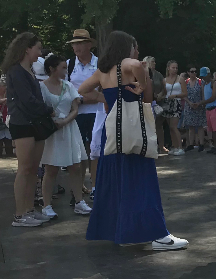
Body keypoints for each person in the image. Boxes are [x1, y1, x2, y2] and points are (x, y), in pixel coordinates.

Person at [80, 30, 188, 250]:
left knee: (118, 183)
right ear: (126, 47)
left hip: (113, 133)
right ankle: (158, 235)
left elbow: (82, 90)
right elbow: (144, 92)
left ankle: (124, 233)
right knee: (142, 181)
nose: (137, 51)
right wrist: (144, 79)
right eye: (134, 46)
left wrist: (106, 98)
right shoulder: (128, 65)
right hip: (132, 131)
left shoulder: (103, 71)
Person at [3, 32, 54, 227]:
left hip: (35, 124)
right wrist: (48, 110)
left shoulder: (30, 70)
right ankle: (20, 214)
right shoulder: (16, 71)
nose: (40, 53)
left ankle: (30, 209)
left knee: (34, 169)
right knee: (24, 169)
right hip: (22, 123)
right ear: (27, 49)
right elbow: (27, 100)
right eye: (38, 48)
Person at [38, 54, 92, 219]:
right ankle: (46, 205)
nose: (65, 70)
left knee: (75, 166)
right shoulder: (42, 87)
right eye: (62, 67)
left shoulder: (68, 85)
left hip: (69, 128)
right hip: (52, 131)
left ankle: (79, 202)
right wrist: (55, 121)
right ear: (52, 69)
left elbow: (75, 108)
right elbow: (40, 108)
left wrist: (65, 121)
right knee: (51, 168)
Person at [65, 29, 101, 201]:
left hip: (97, 113)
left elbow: (104, 89)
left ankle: (95, 187)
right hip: (76, 114)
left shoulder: (100, 63)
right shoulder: (69, 64)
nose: (76, 47)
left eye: (79, 43)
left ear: (88, 45)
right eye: (74, 44)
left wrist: (83, 99)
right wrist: (81, 100)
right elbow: (65, 89)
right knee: (78, 153)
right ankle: (77, 189)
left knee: (95, 151)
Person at [161, 61, 187, 155]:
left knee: (174, 126)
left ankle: (180, 147)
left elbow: (185, 93)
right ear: (168, 68)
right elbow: (164, 92)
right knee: (170, 127)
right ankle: (175, 147)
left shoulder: (180, 79)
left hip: (176, 103)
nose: (175, 69)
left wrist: (175, 95)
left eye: (176, 68)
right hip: (168, 103)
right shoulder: (164, 80)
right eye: (173, 67)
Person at [143, 56, 168, 153]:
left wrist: (160, 94)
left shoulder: (158, 74)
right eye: (153, 62)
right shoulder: (143, 73)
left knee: (159, 125)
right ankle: (150, 146)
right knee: (149, 125)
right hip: (148, 102)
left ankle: (161, 145)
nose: (154, 63)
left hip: (158, 102)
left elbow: (164, 87)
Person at [200, 66, 216, 154]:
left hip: (215, 108)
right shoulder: (204, 84)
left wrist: (202, 102)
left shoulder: (214, 83)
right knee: (212, 129)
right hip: (208, 109)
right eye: (202, 76)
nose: (203, 78)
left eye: (204, 75)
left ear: (209, 74)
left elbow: (213, 97)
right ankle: (215, 146)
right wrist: (203, 104)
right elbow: (204, 96)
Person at [183, 67, 207, 152]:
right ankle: (190, 144)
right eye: (192, 71)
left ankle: (201, 144)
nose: (194, 73)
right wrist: (189, 102)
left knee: (200, 126)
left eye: (195, 71)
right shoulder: (185, 82)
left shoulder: (200, 82)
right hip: (189, 106)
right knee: (190, 126)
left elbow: (203, 94)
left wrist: (201, 103)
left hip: (199, 106)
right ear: (188, 72)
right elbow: (183, 95)